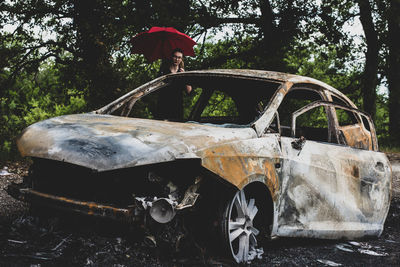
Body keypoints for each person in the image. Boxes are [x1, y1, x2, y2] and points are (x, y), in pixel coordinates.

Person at [156, 48, 192, 121]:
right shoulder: (164, 71)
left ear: (181, 59)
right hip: (163, 105)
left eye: (179, 57)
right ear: (171, 57)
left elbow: (189, 91)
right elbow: (156, 88)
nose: (177, 59)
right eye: (175, 57)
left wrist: (184, 76)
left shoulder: (182, 72)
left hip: (177, 107)